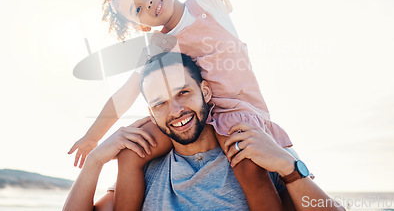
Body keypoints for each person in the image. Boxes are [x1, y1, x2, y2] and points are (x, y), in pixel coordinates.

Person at [68, 0, 325, 210]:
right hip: (192, 114)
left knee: (249, 169)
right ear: (141, 24)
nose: (148, 2)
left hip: (237, 113)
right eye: (137, 8)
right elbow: (127, 92)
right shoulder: (157, 45)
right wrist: (92, 137)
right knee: (132, 150)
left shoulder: (206, 2)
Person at [63, 52, 344, 211]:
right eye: (160, 103)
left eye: (183, 93)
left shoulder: (255, 152)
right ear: (150, 113)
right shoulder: (147, 172)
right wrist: (94, 161)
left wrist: (288, 166)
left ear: (205, 92)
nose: (174, 111)